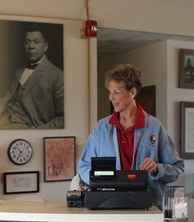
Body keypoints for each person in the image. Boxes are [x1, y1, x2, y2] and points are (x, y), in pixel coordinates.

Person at [77, 64, 184, 208]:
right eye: (109, 92)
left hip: (147, 208)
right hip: (109, 205)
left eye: (116, 92)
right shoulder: (101, 128)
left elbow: (177, 168)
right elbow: (83, 167)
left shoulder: (154, 126)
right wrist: (99, 180)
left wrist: (156, 169)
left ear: (132, 92)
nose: (111, 98)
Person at [0, 25, 64, 129]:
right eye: (27, 42)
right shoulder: (20, 71)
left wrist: (38, 132)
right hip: (7, 117)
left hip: (29, 126)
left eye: (36, 41)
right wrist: (0, 105)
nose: (31, 46)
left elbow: (63, 119)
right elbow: (10, 93)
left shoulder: (57, 76)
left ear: (45, 47)